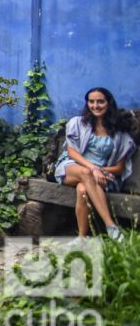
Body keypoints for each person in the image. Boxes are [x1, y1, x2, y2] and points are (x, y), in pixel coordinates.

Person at [55, 87, 135, 241]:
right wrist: (93, 169)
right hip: (73, 166)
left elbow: (119, 168)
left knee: (83, 189)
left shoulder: (119, 133)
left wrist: (99, 170)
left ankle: (81, 238)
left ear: (109, 103)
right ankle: (111, 226)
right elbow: (72, 153)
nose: (95, 106)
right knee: (85, 174)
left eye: (100, 102)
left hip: (103, 175)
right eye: (91, 102)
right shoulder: (78, 123)